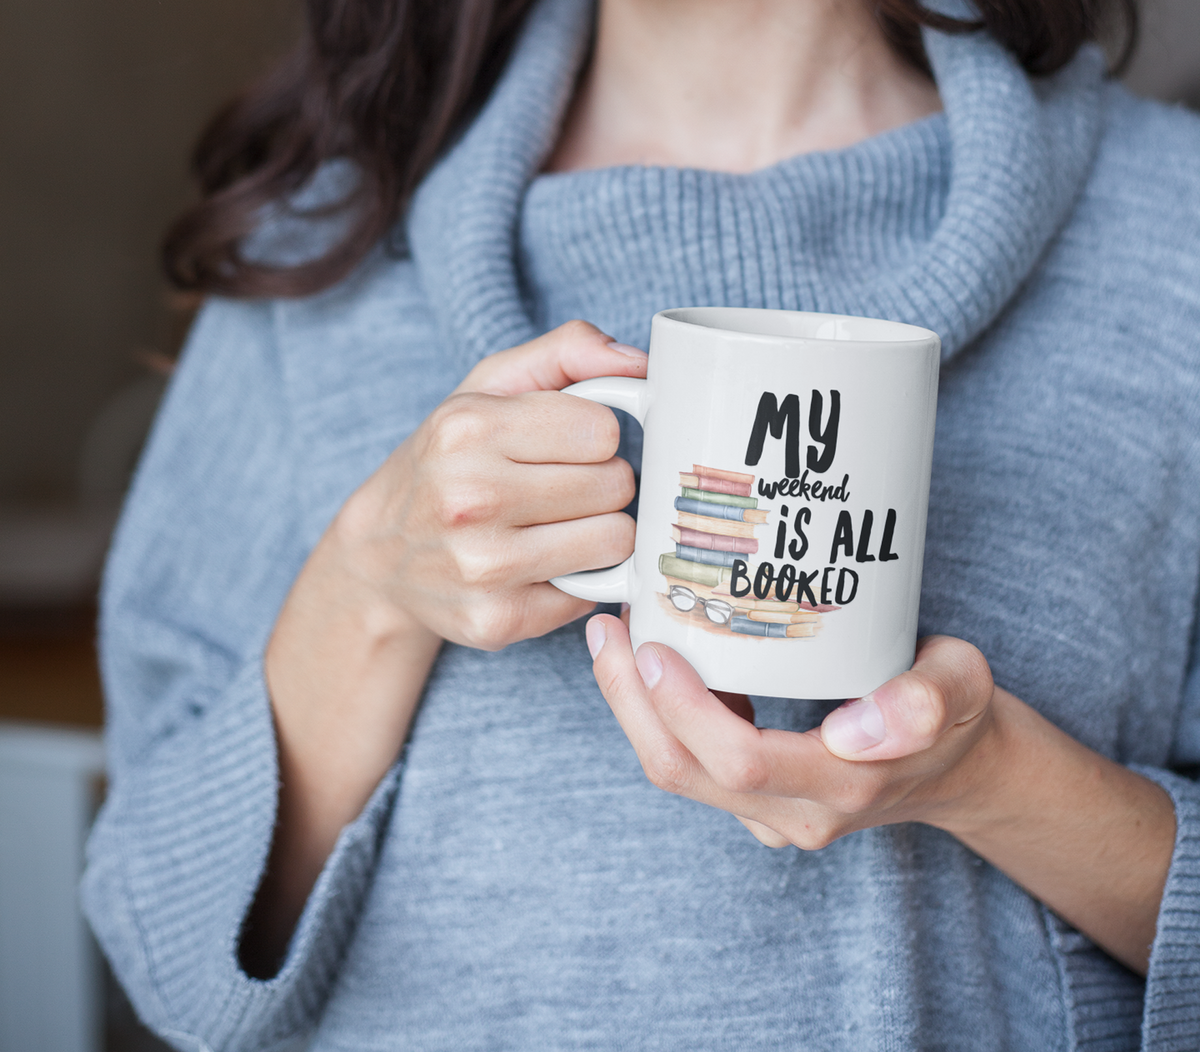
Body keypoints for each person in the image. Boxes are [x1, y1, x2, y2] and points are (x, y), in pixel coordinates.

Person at [83, 0, 1200, 1047]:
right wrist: (367, 585)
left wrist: (992, 778)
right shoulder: (321, 248)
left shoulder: (1174, 226)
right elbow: (165, 947)